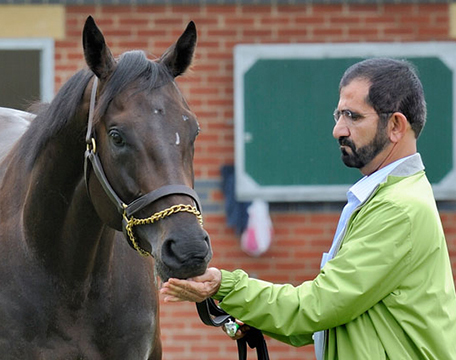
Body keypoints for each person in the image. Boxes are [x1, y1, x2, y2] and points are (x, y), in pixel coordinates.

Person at [160, 58, 456, 360]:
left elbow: (317, 308)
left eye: (353, 116)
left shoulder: (398, 209)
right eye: (338, 114)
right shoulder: (388, 197)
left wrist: (227, 286)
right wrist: (239, 303)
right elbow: (320, 322)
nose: (338, 130)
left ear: (395, 126)